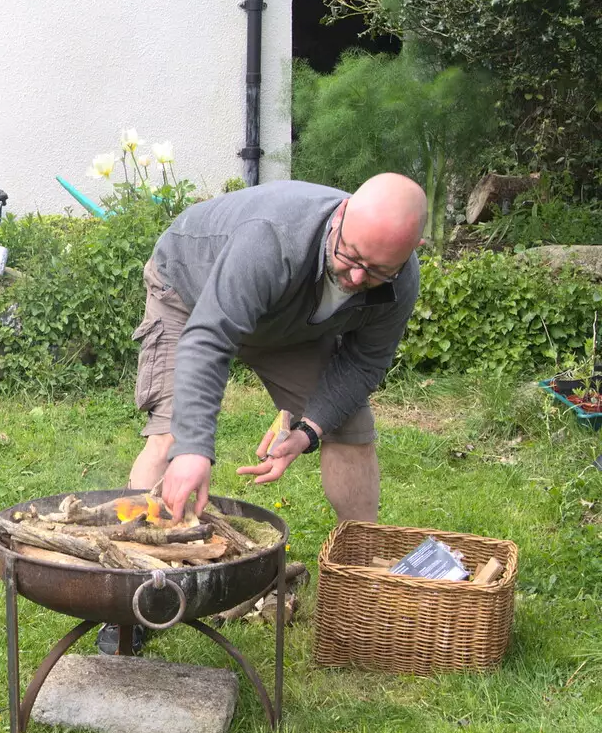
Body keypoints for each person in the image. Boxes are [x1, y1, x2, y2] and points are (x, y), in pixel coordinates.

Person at [111, 175, 426, 652]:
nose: (358, 278)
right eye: (351, 258)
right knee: (172, 438)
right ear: (339, 218)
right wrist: (196, 448)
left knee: (352, 431)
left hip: (288, 325)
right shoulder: (272, 238)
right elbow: (211, 336)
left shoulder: (400, 278)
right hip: (191, 295)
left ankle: (364, 579)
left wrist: (309, 429)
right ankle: (130, 601)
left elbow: (364, 362)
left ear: (409, 252)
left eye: (377, 270)